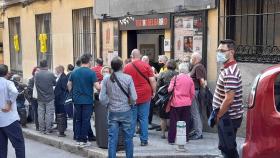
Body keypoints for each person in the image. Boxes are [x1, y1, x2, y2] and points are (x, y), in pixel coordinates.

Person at [99, 57, 137, 158]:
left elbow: (101, 98)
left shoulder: (106, 78)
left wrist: (108, 104)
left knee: (112, 138)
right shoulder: (128, 78)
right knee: (128, 138)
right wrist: (131, 104)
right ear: (122, 66)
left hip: (112, 111)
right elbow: (134, 97)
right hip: (126, 110)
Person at [213, 39, 243, 158]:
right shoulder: (226, 68)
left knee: (228, 149)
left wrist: (218, 115)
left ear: (231, 52)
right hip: (226, 116)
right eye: (218, 50)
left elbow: (229, 99)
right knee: (227, 147)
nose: (219, 53)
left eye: (222, 50)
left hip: (227, 118)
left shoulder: (230, 72)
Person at [123, 49, 156, 146]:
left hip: (132, 95)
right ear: (140, 56)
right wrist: (154, 91)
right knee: (144, 118)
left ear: (131, 56)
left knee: (132, 118)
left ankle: (129, 139)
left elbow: (124, 82)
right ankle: (144, 140)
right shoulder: (146, 66)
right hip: (145, 94)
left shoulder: (126, 67)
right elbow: (152, 80)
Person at [68, 53, 101, 147]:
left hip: (77, 100)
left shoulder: (74, 72)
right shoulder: (91, 72)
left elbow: (69, 84)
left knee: (78, 120)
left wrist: (72, 93)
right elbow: (98, 87)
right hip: (87, 100)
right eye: (91, 60)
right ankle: (84, 140)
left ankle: (78, 139)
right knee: (86, 120)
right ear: (89, 61)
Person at [0, 64, 25, 158]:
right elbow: (15, 92)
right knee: (19, 145)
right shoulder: (8, 83)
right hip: (9, 119)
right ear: (7, 73)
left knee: (1, 147)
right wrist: (9, 103)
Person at [168, 63, 195, 144]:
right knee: (185, 121)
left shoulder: (175, 78)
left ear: (179, 70)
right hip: (187, 103)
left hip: (176, 103)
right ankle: (185, 138)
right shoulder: (190, 79)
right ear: (187, 70)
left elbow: (169, 89)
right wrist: (189, 100)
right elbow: (192, 93)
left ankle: (172, 139)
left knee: (174, 121)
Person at [156, 59, 178, 139]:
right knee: (172, 115)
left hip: (164, 97)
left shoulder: (162, 74)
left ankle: (163, 133)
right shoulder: (177, 74)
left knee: (163, 116)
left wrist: (156, 97)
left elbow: (158, 85)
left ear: (167, 65)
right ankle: (171, 132)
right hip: (175, 96)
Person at [35, 60, 56, 134]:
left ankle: (41, 129)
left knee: (40, 113)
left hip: (40, 97)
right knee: (49, 114)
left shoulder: (37, 74)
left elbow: (36, 84)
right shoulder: (50, 74)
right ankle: (48, 129)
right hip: (49, 96)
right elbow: (54, 83)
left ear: (40, 66)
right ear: (47, 65)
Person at [189, 52, 206, 140]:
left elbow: (202, 81)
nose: (190, 59)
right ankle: (197, 131)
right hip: (196, 91)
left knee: (195, 113)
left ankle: (198, 133)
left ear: (195, 59)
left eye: (191, 58)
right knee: (196, 112)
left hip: (195, 91)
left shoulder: (198, 67)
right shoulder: (197, 66)